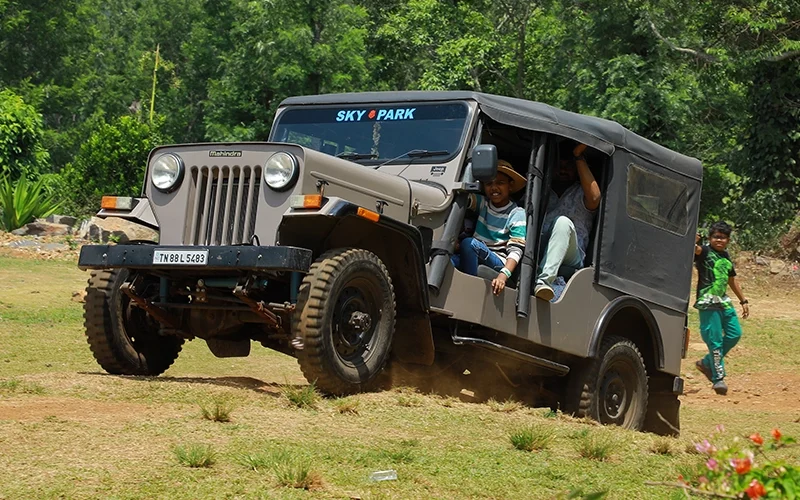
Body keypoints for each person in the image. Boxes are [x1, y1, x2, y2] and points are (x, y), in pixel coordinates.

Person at [534, 141, 601, 300]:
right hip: (539, 246)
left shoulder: (580, 192)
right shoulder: (541, 190)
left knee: (563, 222)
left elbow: (595, 197)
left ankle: (543, 281)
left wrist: (578, 157)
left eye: (568, 166)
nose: (563, 170)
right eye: (560, 165)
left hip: (571, 254)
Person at [452, 160, 526, 296]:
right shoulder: (483, 204)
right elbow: (465, 198)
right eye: (489, 183)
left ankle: (471, 290)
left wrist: (503, 275)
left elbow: (516, 250)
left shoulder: (517, 213)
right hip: (474, 253)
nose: (494, 188)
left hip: (498, 262)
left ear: (510, 186)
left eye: (500, 183)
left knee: (469, 243)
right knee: (447, 261)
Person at [693, 221, 749, 395]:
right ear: (710, 238)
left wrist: (743, 301)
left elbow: (732, 280)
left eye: (723, 237)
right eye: (716, 237)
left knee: (735, 334)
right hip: (708, 302)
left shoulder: (725, 257)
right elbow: (692, 249)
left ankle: (707, 362)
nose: (720, 240)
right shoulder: (704, 251)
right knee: (715, 341)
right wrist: (693, 241)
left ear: (728, 240)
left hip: (724, 302)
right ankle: (718, 379)